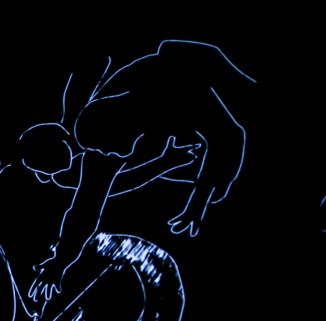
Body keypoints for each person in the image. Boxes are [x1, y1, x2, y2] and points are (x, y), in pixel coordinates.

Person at [24, 40, 252, 303]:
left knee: (221, 173)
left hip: (190, 70)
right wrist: (60, 262)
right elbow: (85, 211)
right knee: (203, 174)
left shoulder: (169, 96)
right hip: (159, 125)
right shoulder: (99, 146)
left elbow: (230, 137)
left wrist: (197, 204)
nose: (111, 156)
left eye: (112, 150)